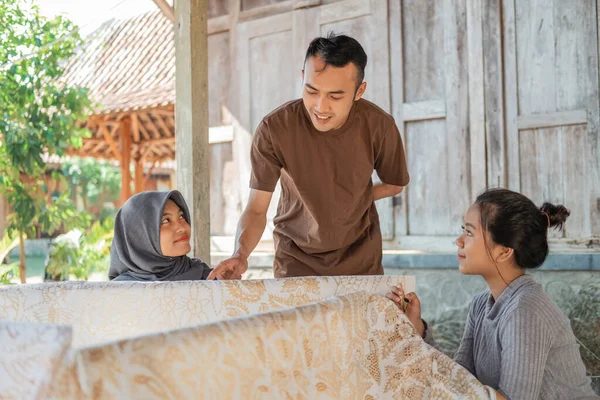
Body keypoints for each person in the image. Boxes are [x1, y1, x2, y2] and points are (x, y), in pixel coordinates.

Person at [217, 33, 409, 278]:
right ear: (302, 78)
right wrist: (240, 254)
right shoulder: (275, 129)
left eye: (335, 96)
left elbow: (395, 184)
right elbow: (256, 209)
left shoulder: (379, 126)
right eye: (312, 91)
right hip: (295, 260)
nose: (320, 107)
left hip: (360, 260)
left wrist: (352, 198)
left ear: (359, 91)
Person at [386, 188, 597, 399]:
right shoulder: (480, 305)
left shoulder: (526, 310)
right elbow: (460, 378)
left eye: (469, 232)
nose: (459, 241)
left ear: (504, 251)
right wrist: (418, 329)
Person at [109, 190, 238, 281]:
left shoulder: (209, 280)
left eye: (181, 216)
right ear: (138, 236)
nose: (183, 227)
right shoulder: (117, 295)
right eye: (165, 221)